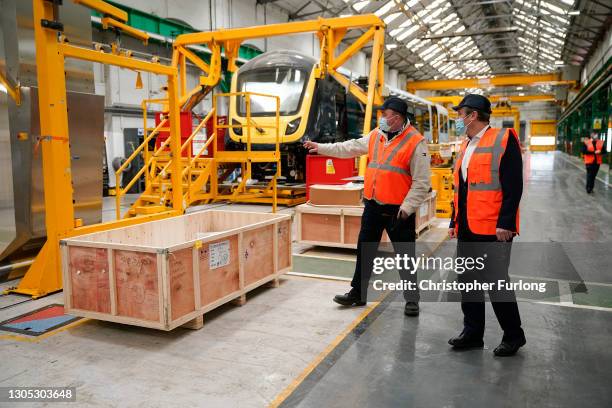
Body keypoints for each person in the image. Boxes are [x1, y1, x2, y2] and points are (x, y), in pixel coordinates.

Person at [303, 97, 431, 316]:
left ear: (397, 118)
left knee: (405, 256)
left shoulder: (416, 142)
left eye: (385, 114)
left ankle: (412, 299)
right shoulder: (376, 135)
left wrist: (407, 208)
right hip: (373, 204)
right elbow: (349, 148)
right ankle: (358, 293)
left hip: (398, 211)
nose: (381, 118)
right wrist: (321, 147)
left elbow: (422, 182)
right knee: (365, 251)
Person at [447, 94, 526, 357]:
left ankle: (514, 336)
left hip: (494, 228)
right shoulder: (465, 145)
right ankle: (472, 333)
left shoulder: (503, 139)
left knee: (496, 283)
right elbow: (461, 188)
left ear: (473, 115)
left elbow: (514, 185)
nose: (459, 119)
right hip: (468, 226)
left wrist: (505, 222)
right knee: (467, 281)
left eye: (461, 114)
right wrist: (452, 220)